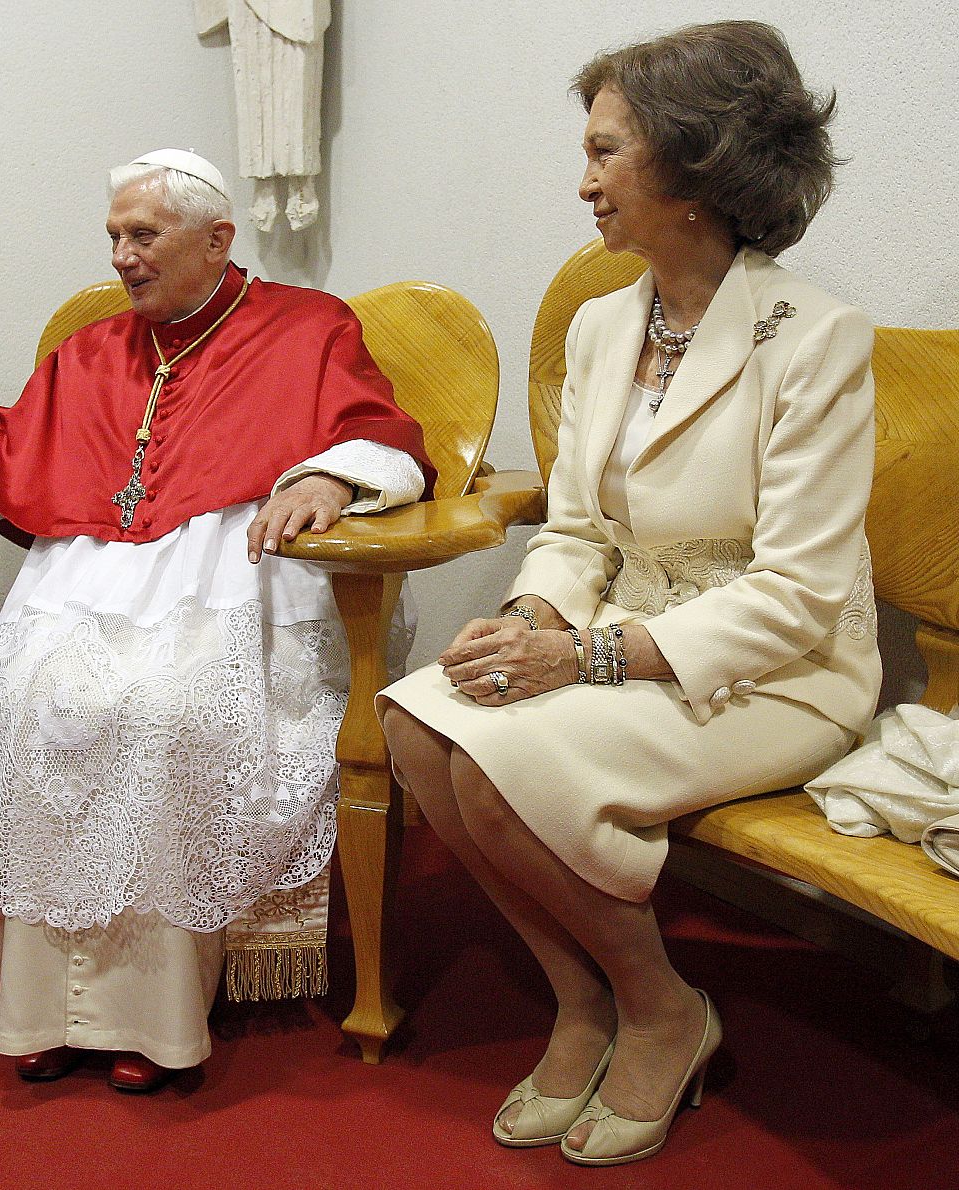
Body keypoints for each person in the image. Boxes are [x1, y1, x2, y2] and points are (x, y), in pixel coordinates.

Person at [379, 22, 878, 1168]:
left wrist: (586, 660)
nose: (585, 180)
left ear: (697, 162)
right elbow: (577, 529)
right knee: (417, 724)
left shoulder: (815, 337)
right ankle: (582, 994)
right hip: (614, 635)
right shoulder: (606, 324)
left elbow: (798, 592)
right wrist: (534, 617)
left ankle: (662, 1006)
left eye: (608, 152)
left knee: (500, 759)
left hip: (778, 669)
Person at [0, 149, 432, 1092]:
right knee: (24, 710)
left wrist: (324, 473)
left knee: (170, 717)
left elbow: (381, 431)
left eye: (143, 235)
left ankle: (147, 1022)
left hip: (233, 579)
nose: (121, 255)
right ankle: (41, 1010)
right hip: (94, 579)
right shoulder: (94, 350)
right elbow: (6, 436)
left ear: (217, 239)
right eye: (114, 235)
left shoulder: (307, 326)